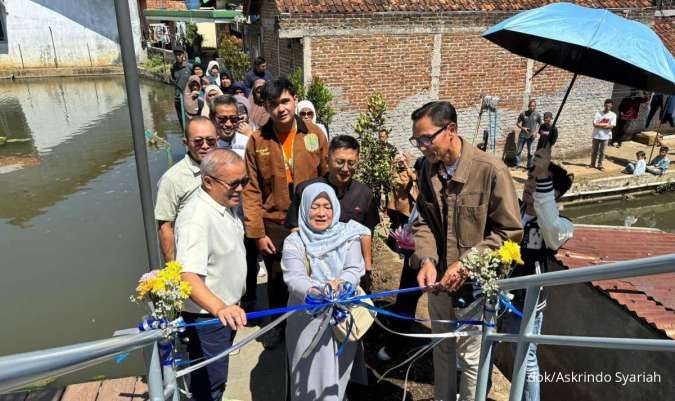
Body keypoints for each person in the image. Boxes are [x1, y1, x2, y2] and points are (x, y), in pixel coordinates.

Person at [410, 101, 522, 401]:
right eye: (416, 140)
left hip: (475, 285)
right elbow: (422, 221)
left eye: (426, 139)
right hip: (438, 283)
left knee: (472, 358)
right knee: (442, 347)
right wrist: (428, 259)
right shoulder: (426, 170)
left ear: (451, 130)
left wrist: (467, 264)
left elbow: (509, 233)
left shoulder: (491, 171)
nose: (421, 147)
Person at [242, 77, 329, 348]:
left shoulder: (315, 134)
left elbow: (327, 178)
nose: (280, 109)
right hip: (275, 223)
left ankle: (315, 323)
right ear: (265, 107)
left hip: (311, 221)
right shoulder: (257, 141)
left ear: (293, 98)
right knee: (278, 279)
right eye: (273, 104)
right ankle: (280, 328)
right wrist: (257, 233)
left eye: (285, 101)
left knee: (314, 272)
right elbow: (251, 190)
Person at [282, 183, 370, 401]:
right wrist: (316, 292)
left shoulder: (348, 234)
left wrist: (343, 285)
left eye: (327, 206)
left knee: (338, 373)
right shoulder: (295, 241)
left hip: (342, 316)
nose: (321, 213)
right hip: (307, 318)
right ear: (304, 209)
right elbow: (294, 277)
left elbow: (353, 268)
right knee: (309, 375)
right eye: (315, 206)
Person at [500, 146, 574, 401]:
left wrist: (543, 175)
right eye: (530, 178)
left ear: (555, 193)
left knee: (526, 357)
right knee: (483, 343)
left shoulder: (562, 226)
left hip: (526, 301)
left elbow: (551, 226)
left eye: (541, 181)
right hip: (497, 291)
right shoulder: (513, 211)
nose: (531, 184)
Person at [177, 149, 249, 401]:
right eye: (234, 183)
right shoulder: (195, 219)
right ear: (208, 182)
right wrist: (221, 309)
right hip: (208, 318)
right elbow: (187, 276)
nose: (240, 189)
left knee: (216, 378)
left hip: (225, 311)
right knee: (210, 384)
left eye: (244, 181)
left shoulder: (224, 203)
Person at [286, 135, 379, 291]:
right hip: (314, 273)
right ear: (327, 159)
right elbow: (295, 228)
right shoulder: (307, 190)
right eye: (340, 162)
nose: (345, 169)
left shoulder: (364, 194)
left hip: (349, 272)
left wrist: (367, 268)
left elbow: (367, 231)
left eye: (351, 163)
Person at [155, 117, 218, 262]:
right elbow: (165, 226)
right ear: (186, 143)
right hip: (191, 256)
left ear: (217, 139)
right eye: (198, 141)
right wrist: (172, 268)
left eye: (210, 140)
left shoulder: (222, 168)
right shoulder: (172, 179)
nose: (205, 146)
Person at [589, 99, 617, 171]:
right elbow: (594, 124)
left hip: (605, 136)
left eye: (609, 106)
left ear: (611, 106)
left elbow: (611, 126)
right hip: (596, 135)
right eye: (606, 105)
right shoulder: (598, 113)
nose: (607, 107)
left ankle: (600, 165)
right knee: (594, 151)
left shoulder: (613, 115)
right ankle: (592, 164)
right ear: (604, 105)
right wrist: (606, 124)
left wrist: (600, 125)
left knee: (602, 152)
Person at [170, 46, 193, 129]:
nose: (178, 57)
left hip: (189, 99)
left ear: (183, 55)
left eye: (179, 54)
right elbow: (174, 80)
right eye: (176, 55)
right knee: (182, 123)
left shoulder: (190, 67)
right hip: (178, 98)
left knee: (190, 122)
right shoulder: (173, 68)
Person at [515, 99, 542, 168]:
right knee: (518, 150)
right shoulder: (523, 114)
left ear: (535, 107)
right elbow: (517, 124)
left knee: (530, 152)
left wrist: (536, 132)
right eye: (530, 106)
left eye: (533, 106)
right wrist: (523, 128)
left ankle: (529, 166)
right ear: (528, 106)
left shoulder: (537, 115)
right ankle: (517, 164)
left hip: (531, 136)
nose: (532, 107)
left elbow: (541, 125)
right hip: (522, 136)